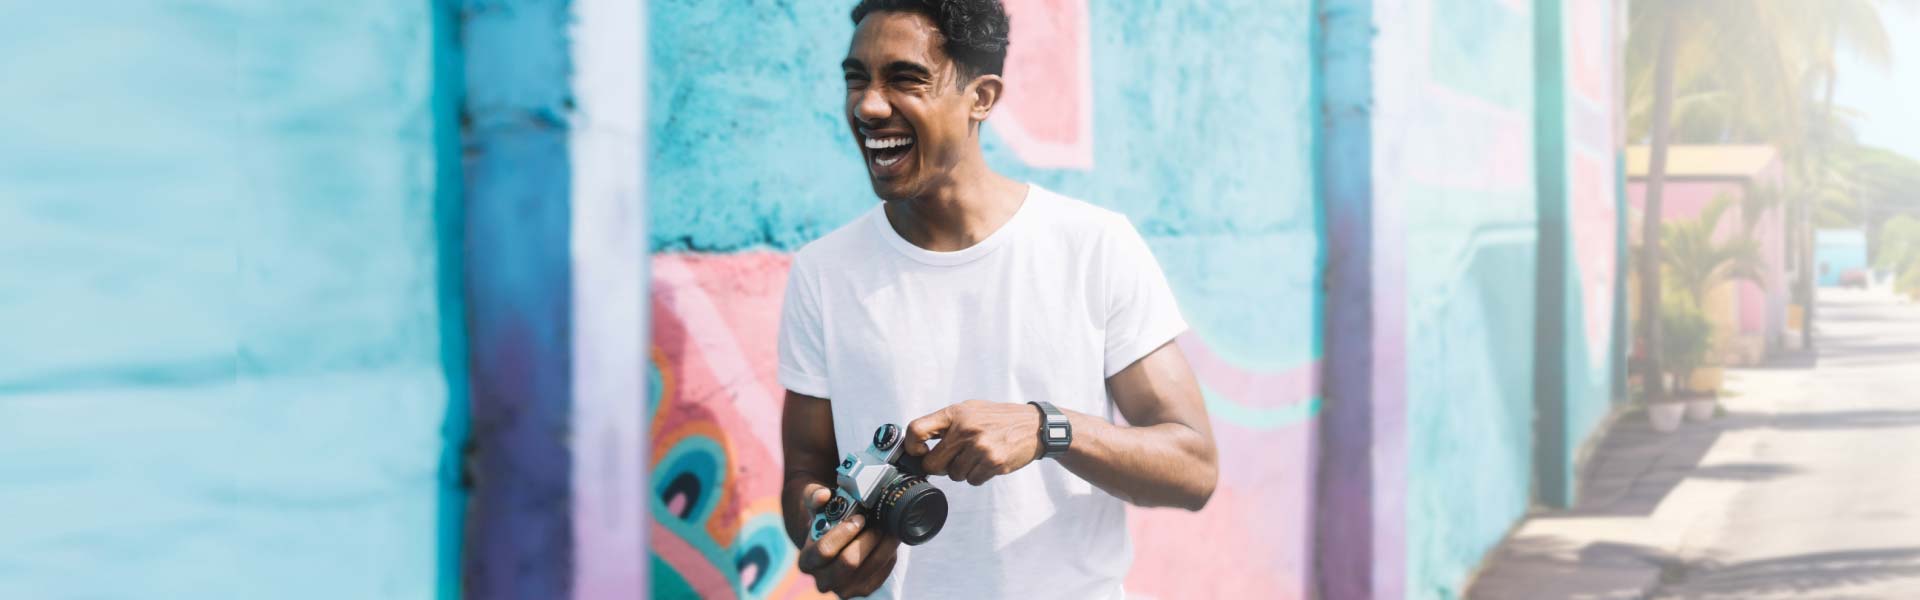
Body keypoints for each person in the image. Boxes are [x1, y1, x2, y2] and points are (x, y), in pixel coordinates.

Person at [777, 1, 1219, 597]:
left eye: (905, 80)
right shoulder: (823, 272)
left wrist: (1048, 430)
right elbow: (805, 473)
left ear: (981, 97)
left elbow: (1192, 469)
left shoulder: (1093, 245)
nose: (868, 105)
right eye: (857, 79)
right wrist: (827, 532)